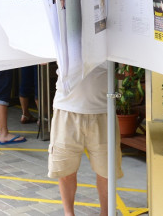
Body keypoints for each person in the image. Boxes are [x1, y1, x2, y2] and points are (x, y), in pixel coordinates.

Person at [48, 64, 123, 216]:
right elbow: (41, 57)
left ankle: (106, 213)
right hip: (67, 110)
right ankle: (69, 213)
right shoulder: (62, 38)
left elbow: (125, 71)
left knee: (106, 171)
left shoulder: (110, 38)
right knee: (65, 169)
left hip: (103, 110)